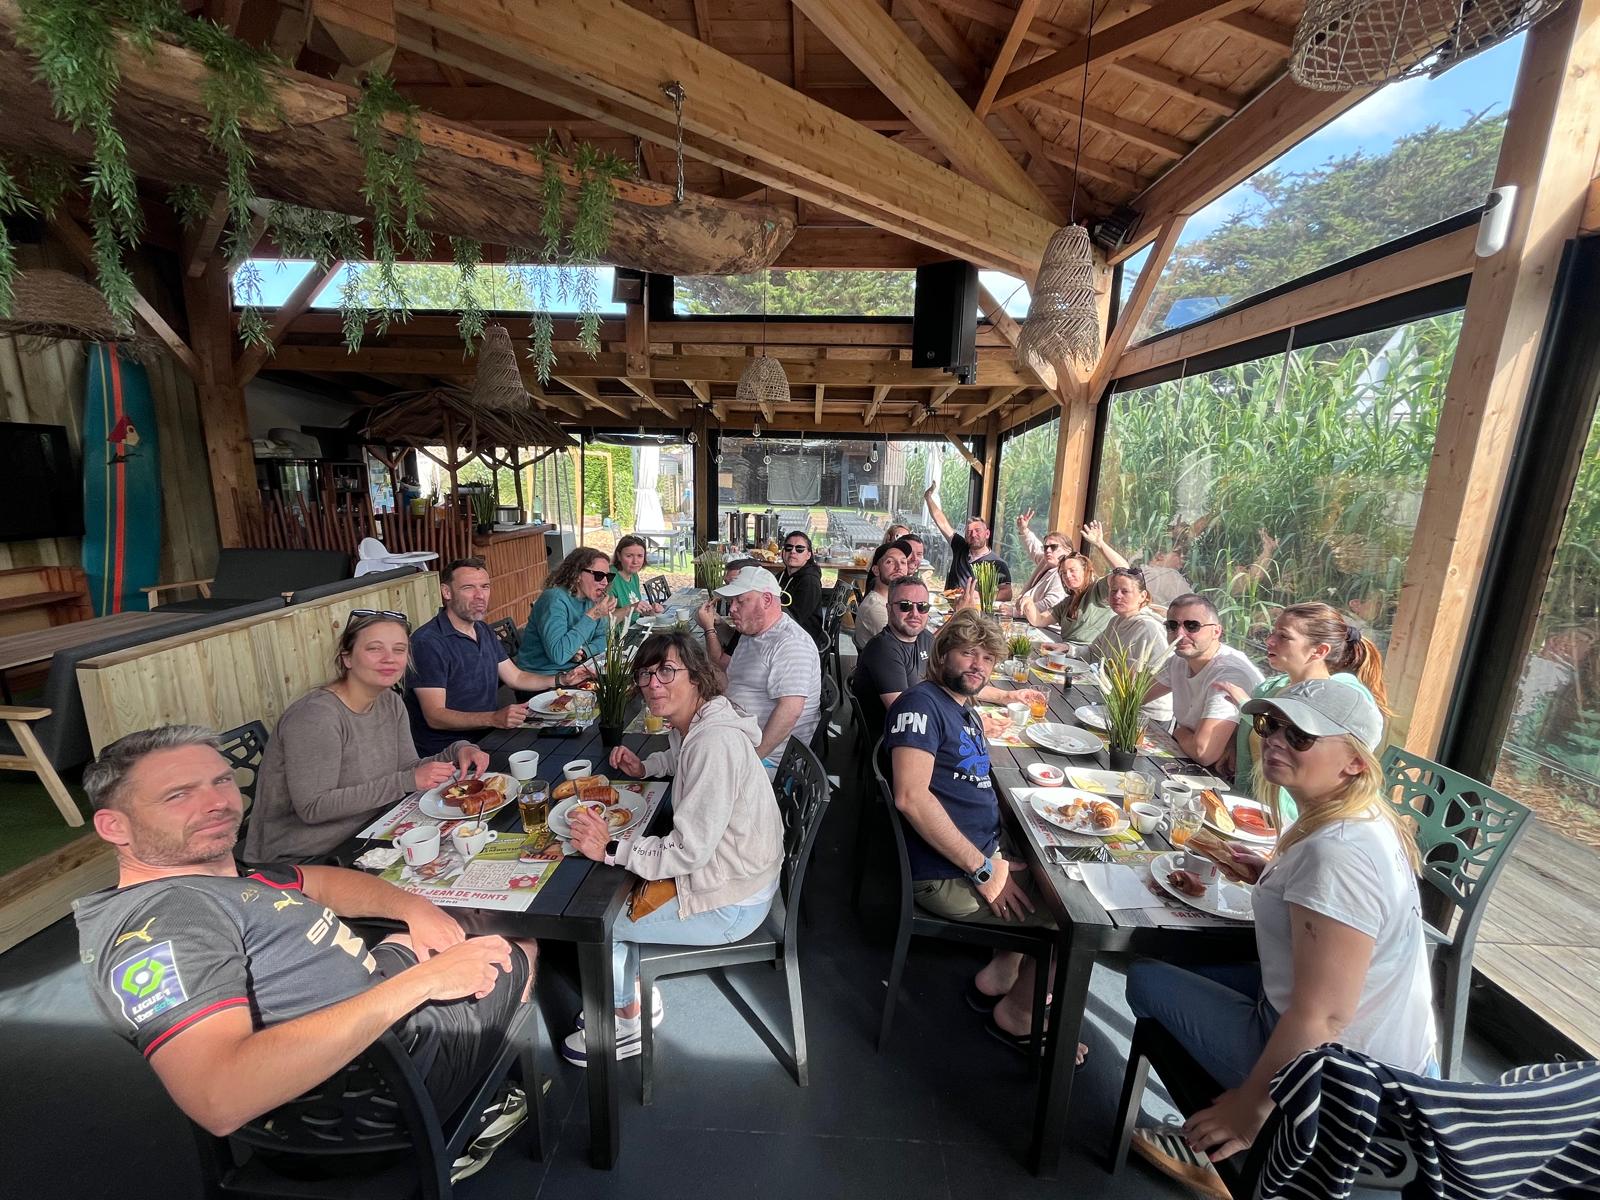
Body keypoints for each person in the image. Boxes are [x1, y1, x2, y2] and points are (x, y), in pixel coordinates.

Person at [73, 725, 539, 1175]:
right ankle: (475, 1111)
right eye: (178, 795)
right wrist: (425, 981)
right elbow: (220, 1098)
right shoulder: (166, 923)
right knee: (514, 939)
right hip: (368, 1111)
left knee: (427, 932)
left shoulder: (222, 880)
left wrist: (413, 908)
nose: (217, 802)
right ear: (115, 826)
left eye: (221, 781)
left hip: (365, 1031)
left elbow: (319, 881)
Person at [1123, 679, 1436, 1193]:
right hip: (1385, 1056)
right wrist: (1270, 875)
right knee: (1186, 964)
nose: (1273, 740)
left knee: (1145, 977)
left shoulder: (1337, 854)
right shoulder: (1361, 818)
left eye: (1300, 736)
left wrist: (1250, 1112)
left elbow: (1325, 1016)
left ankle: (1232, 1150)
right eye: (1272, 725)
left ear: (1355, 762)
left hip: (1346, 1081)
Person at [560, 633, 783, 1064]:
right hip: (741, 874)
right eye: (645, 674)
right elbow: (683, 759)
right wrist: (646, 766)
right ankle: (633, 992)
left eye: (666, 671)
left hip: (732, 900)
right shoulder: (701, 721)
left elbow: (686, 852)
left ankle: (626, 1022)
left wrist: (610, 847)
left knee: (604, 920)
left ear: (696, 676)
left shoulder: (713, 742)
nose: (653, 684)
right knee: (620, 890)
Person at [884, 611, 1083, 1062]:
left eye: (988, 658)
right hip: (944, 874)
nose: (978, 665)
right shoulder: (920, 706)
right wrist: (983, 868)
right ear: (942, 656)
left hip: (976, 853)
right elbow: (911, 798)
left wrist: (995, 854)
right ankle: (1018, 1015)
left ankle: (997, 977)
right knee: (1068, 910)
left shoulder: (958, 705)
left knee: (1052, 859)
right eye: (968, 653)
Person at [244, 611, 490, 864]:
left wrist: (457, 751)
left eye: (399, 649)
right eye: (374, 648)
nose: (389, 658)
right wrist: (407, 780)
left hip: (373, 829)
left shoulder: (390, 702)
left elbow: (407, 769)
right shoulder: (315, 717)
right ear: (347, 658)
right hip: (305, 857)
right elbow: (313, 808)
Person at [1218, 602, 1389, 819]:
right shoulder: (1270, 688)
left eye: (1284, 636)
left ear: (1320, 651)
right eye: (1272, 632)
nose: (1269, 640)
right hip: (1251, 810)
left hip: (1306, 819)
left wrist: (1244, 705)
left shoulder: (1345, 699)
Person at [407, 558, 588, 755]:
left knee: (576, 743)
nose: (480, 596)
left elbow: (516, 677)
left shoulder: (482, 629)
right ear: (446, 592)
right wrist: (493, 718)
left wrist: (561, 679)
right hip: (448, 753)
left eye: (485, 587)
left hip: (489, 737)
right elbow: (435, 716)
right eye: (468, 588)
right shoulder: (428, 642)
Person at [855, 578, 1045, 733]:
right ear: (889, 609)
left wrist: (1007, 696)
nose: (915, 613)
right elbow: (906, 715)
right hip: (897, 744)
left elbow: (955, 681)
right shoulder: (883, 650)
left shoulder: (923, 637)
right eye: (905, 606)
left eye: (922, 607)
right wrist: (971, 724)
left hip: (927, 730)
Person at [695, 566, 822, 761]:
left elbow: (790, 711)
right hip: (735, 732)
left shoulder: (790, 644)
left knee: (689, 763)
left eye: (740, 601)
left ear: (767, 600)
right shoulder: (752, 632)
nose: (732, 608)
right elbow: (732, 677)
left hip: (770, 757)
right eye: (731, 601)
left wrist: (753, 760)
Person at [1139, 594, 1263, 773]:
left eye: (1192, 626)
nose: (1180, 634)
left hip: (1233, 775)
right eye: (1172, 626)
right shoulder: (1178, 661)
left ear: (1216, 631)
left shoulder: (1229, 675)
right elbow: (1136, 695)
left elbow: (1204, 752)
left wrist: (1179, 732)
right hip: (1194, 762)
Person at [1088, 566, 1173, 722]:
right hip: (1118, 705)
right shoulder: (1115, 622)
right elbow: (1092, 652)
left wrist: (1131, 703)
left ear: (1142, 596)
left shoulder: (1149, 628)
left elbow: (1168, 672)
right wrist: (1067, 649)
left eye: (1125, 591)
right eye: (1113, 591)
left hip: (1146, 715)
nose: (1117, 596)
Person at [516, 547, 617, 676]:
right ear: (578, 574)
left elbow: (603, 638)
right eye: (599, 576)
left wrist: (584, 652)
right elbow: (559, 655)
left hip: (574, 670)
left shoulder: (591, 599)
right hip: (542, 675)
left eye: (608, 576)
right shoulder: (554, 600)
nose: (605, 582)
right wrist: (592, 616)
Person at [923, 482, 1012, 599]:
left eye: (977, 531)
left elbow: (1007, 593)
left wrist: (981, 596)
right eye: (969, 532)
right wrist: (928, 498)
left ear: (987, 534)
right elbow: (942, 522)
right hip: (948, 605)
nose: (973, 534)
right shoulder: (960, 547)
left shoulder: (997, 563)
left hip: (975, 608)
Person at [1081, 520, 1192, 609]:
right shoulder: (1169, 575)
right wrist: (1100, 544)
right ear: (1160, 555)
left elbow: (1125, 571)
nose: (1183, 559)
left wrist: (1100, 544)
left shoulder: (1144, 573)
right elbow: (1124, 571)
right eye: (1178, 553)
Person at [1031, 547, 1113, 646]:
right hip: (1064, 650)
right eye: (1064, 573)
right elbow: (1039, 620)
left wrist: (1100, 544)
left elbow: (1123, 572)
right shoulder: (1067, 602)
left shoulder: (1098, 590)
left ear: (1085, 570)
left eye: (1072, 570)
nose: (1068, 576)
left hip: (1089, 653)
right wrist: (1027, 602)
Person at [852, 539, 912, 651]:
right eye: (890, 562)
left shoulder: (891, 600)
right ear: (876, 570)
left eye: (903, 562)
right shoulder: (876, 608)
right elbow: (906, 648)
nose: (899, 567)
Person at [1011, 508, 1070, 618]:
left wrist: (1016, 612)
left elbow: (1051, 604)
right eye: (1046, 547)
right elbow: (1035, 548)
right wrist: (1024, 530)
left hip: (1044, 624)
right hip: (1029, 619)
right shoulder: (1047, 562)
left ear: (1068, 550)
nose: (1048, 550)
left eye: (1053, 547)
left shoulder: (1065, 574)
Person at [775, 529, 826, 648]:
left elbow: (796, 619)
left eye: (799, 549)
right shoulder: (782, 575)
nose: (793, 551)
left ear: (808, 554)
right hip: (785, 629)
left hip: (802, 639)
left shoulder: (809, 582)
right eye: (788, 547)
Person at [608, 534, 662, 616]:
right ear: (619, 556)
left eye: (640, 556)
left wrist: (649, 610)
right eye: (629, 556)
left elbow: (634, 611)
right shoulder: (609, 578)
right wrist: (631, 608)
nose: (635, 561)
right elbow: (605, 619)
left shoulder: (633, 575)